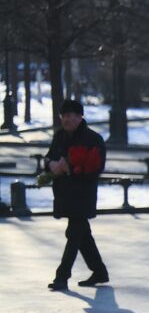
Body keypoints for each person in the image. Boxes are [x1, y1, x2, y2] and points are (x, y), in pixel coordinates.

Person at [44, 99, 108, 291]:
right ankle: (99, 271)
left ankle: (61, 277)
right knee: (82, 234)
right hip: (64, 193)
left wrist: (69, 168)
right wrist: (51, 165)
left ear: (80, 117)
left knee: (73, 233)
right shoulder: (60, 136)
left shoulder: (93, 139)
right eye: (63, 116)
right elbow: (49, 157)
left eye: (70, 116)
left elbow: (96, 167)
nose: (66, 119)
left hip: (82, 195)